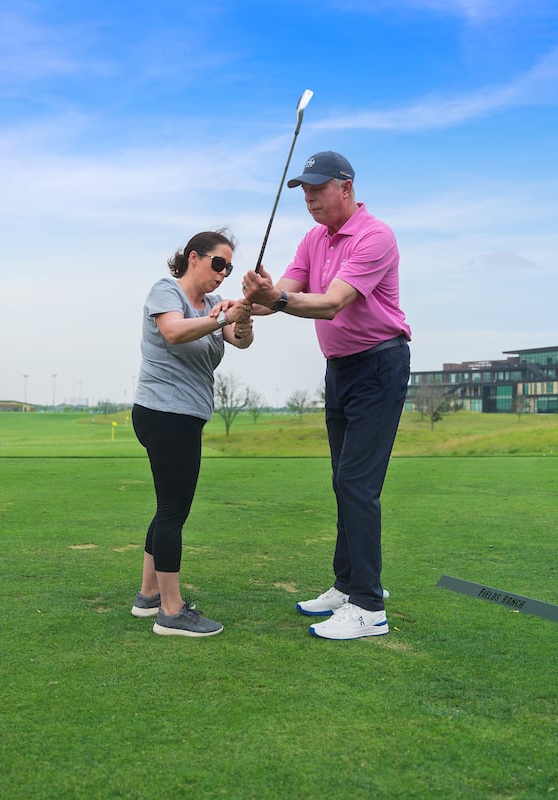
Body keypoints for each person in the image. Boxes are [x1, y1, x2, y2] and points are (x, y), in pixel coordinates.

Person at [241, 151, 410, 640]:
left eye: (317, 187)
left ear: (346, 187)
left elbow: (332, 303)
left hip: (380, 364)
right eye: (303, 190)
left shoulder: (375, 235)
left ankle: (369, 608)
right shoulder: (314, 239)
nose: (309, 197)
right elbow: (285, 296)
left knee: (358, 483)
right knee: (342, 480)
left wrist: (274, 298)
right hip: (340, 369)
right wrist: (245, 303)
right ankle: (346, 584)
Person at [130, 229, 253, 637]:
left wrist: (244, 317)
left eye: (229, 268)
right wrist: (221, 318)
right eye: (218, 264)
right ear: (194, 257)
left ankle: (149, 596)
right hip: (164, 413)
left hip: (185, 416)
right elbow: (174, 332)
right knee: (173, 512)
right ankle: (172, 611)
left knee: (169, 506)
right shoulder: (166, 291)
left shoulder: (216, 305)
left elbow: (239, 340)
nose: (223, 274)